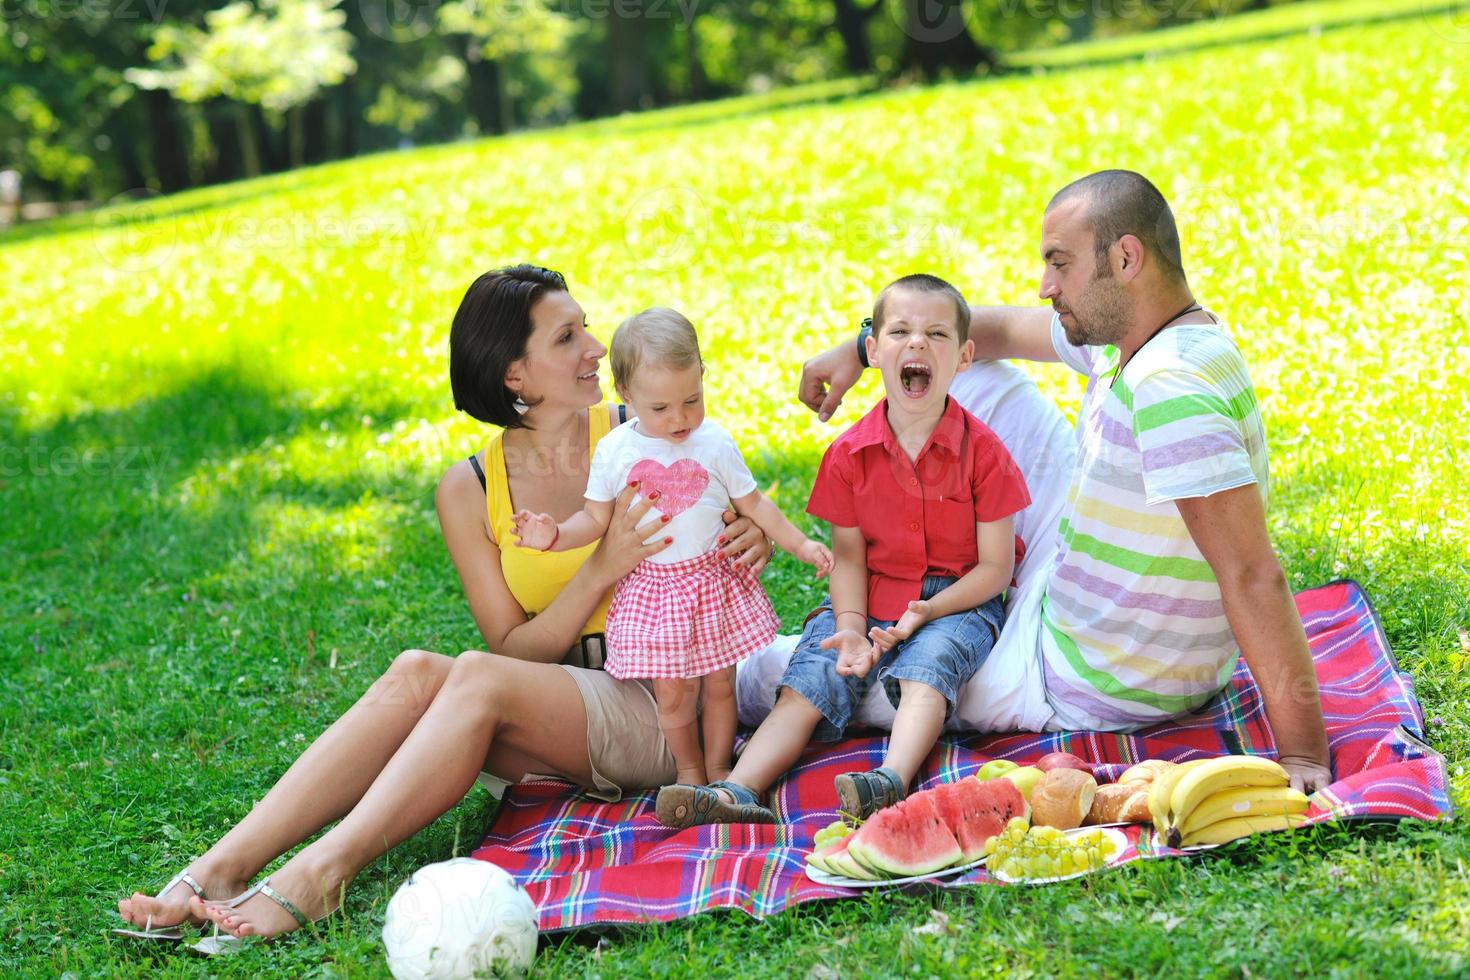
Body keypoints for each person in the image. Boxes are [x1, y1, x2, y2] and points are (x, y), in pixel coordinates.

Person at [114, 264, 774, 943]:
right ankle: (220, 867)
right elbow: (512, 647)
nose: (597, 347)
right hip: (556, 699)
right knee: (417, 670)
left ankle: (319, 875)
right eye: (567, 337)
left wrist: (753, 537)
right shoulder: (470, 488)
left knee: (475, 678)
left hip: (666, 704)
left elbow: (738, 521)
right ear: (515, 375)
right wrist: (599, 569)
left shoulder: (650, 426)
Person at [796, 171, 1333, 794]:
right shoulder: (1146, 334)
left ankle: (744, 668)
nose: (1046, 286)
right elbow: (984, 330)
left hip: (1084, 670)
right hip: (1071, 573)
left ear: (1125, 258)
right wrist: (861, 349)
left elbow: (1250, 572)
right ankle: (952, 570)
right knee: (964, 369)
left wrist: (1302, 754)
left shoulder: (1169, 391)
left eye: (1060, 264)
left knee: (805, 679)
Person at [657, 274, 1030, 827]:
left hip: (959, 598)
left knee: (928, 669)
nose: (917, 343)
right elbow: (850, 558)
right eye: (900, 331)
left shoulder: (986, 453)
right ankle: (737, 790)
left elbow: (996, 568)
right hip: (870, 589)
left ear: (965, 356)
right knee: (812, 673)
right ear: (874, 352)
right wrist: (852, 625)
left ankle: (890, 780)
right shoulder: (849, 455)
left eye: (936, 334)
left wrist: (930, 609)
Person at [513, 307, 832, 787]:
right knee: (674, 694)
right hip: (655, 593)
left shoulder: (715, 443)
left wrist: (801, 544)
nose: (680, 419)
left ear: (702, 377)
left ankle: (722, 769)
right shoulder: (616, 450)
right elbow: (595, 519)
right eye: (661, 408)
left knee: (721, 685)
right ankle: (688, 771)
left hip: (712, 583)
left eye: (692, 400)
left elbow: (756, 505)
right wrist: (554, 534)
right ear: (627, 394)